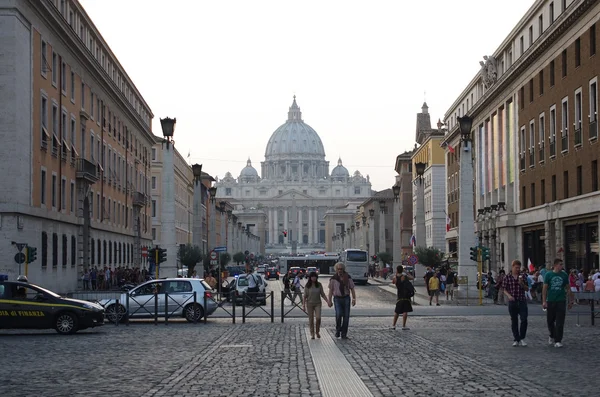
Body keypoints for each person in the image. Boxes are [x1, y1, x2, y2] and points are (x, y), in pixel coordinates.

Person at [542, 258, 573, 348]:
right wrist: (544, 301)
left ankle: (558, 340)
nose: (561, 266)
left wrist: (571, 300)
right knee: (550, 321)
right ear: (555, 265)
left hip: (561, 300)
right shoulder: (548, 275)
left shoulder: (564, 275)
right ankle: (552, 334)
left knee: (560, 321)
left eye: (562, 264)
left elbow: (568, 288)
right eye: (560, 264)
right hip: (551, 300)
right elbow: (544, 289)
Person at [500, 260, 529, 347]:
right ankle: (516, 339)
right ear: (512, 267)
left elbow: (527, 289)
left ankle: (522, 337)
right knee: (514, 320)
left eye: (519, 268)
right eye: (516, 267)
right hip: (512, 301)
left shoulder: (523, 276)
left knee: (524, 319)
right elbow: (504, 289)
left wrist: (522, 284)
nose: (517, 269)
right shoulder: (507, 277)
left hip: (522, 300)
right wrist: (509, 296)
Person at [327, 262, 356, 339]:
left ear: (343, 269)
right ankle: (338, 329)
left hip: (346, 298)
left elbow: (352, 288)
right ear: (336, 270)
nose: (340, 270)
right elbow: (330, 291)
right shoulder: (333, 279)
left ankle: (344, 333)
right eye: (338, 269)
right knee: (339, 314)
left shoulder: (348, 277)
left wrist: (354, 298)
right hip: (337, 299)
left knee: (346, 317)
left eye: (341, 269)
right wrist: (329, 300)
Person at [302, 272, 330, 339]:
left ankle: (317, 331)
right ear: (310, 278)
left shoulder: (319, 285)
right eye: (312, 277)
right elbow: (305, 296)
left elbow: (322, 294)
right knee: (311, 319)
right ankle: (312, 333)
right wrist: (303, 305)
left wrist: (327, 301)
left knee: (318, 318)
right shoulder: (307, 286)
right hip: (309, 304)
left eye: (315, 277)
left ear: (316, 277)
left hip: (318, 303)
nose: (313, 278)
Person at [391, 265, 413, 330]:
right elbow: (412, 277)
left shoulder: (395, 278)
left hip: (399, 295)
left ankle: (393, 325)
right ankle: (403, 326)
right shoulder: (405, 276)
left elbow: (393, 282)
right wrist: (406, 272)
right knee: (405, 310)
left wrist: (396, 274)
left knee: (397, 311)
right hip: (406, 295)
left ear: (397, 270)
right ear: (402, 270)